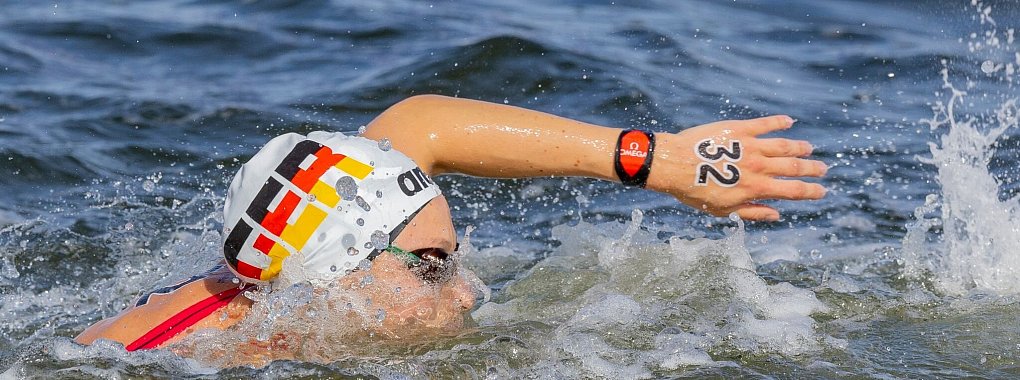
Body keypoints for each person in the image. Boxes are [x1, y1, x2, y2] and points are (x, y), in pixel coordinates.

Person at [74, 95, 827, 358]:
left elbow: (420, 123)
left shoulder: (291, 261)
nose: (467, 295)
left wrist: (654, 161)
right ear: (326, 279)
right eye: (432, 265)